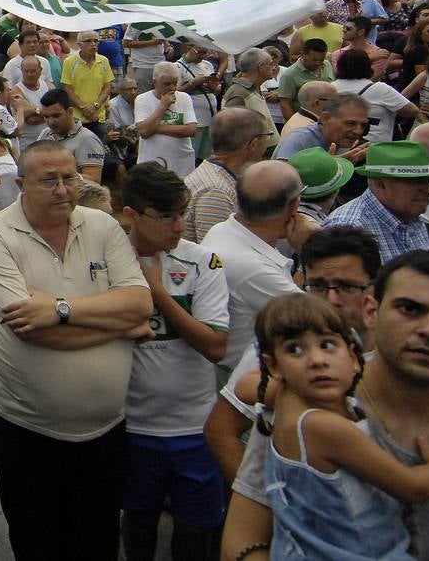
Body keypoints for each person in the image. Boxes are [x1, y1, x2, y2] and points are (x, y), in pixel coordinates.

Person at [0, 140, 153, 561]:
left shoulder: (102, 226)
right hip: (29, 436)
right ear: (21, 185)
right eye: (48, 180)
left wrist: (59, 309)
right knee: (38, 543)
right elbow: (31, 331)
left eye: (69, 178)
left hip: (107, 434)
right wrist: (122, 326)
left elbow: (141, 305)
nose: (62, 190)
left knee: (99, 541)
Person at [220, 249, 429, 561]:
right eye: (410, 308)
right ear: (371, 310)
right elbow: (242, 541)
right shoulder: (311, 400)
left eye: (326, 345)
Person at [118, 163, 229, 561]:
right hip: (131, 426)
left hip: (195, 427)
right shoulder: (107, 262)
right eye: (166, 216)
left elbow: (215, 346)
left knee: (194, 528)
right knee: (139, 520)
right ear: (131, 214)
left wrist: (157, 293)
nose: (180, 225)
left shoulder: (206, 262)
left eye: (182, 213)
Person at [201, 160, 305, 378]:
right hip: (240, 385)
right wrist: (311, 249)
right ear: (294, 205)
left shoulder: (221, 230)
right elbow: (320, 320)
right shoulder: (254, 269)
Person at [326, 140, 429, 262]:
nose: (428, 190)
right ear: (380, 184)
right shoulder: (348, 230)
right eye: (416, 181)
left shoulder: (412, 219)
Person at [184, 108, 274, 243]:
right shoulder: (216, 191)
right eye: (268, 135)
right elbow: (216, 253)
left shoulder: (219, 175)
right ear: (253, 144)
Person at [333, 47, 418, 144]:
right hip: (374, 146)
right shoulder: (380, 89)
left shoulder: (330, 88)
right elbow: (412, 110)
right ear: (368, 66)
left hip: (338, 144)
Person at [134, 61, 198, 177]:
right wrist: (163, 106)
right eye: (167, 84)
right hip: (151, 165)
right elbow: (144, 132)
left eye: (175, 83)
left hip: (182, 165)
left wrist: (155, 128)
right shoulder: (142, 99)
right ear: (155, 82)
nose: (172, 88)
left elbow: (191, 130)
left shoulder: (184, 98)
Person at [273, 92, 370, 163]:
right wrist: (329, 166)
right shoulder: (299, 139)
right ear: (325, 118)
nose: (358, 131)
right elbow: (280, 179)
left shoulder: (349, 145)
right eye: (350, 123)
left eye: (363, 125)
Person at [38, 89, 106, 182]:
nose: (51, 122)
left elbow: (94, 180)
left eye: (56, 116)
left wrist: (58, 175)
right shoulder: (45, 133)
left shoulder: (87, 140)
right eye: (46, 117)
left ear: (70, 112)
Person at [222, 48, 280, 158]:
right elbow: (231, 132)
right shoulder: (239, 93)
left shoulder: (253, 89)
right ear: (261, 67)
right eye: (271, 64)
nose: (274, 67)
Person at [61, 30, 114, 138]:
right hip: (77, 118)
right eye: (89, 41)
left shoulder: (104, 61)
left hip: (98, 117)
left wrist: (95, 107)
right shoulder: (69, 62)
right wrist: (83, 108)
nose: (93, 44)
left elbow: (107, 87)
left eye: (96, 41)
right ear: (79, 44)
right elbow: (66, 88)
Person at [175, 45, 223, 161]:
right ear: (188, 49)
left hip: (211, 116)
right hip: (195, 119)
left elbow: (217, 91)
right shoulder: (177, 66)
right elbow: (174, 92)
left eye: (204, 52)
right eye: (199, 52)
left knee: (208, 155)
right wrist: (193, 84)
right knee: (193, 154)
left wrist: (214, 86)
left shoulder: (207, 65)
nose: (202, 56)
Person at [14, 55, 50, 147]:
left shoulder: (45, 85)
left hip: (47, 140)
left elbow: (54, 110)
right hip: (28, 144)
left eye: (33, 71)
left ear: (40, 70)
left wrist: (35, 110)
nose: (29, 74)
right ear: (21, 71)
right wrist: (47, 114)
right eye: (26, 71)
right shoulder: (16, 91)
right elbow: (31, 120)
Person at [123, 23, 167, 93]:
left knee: (161, 94)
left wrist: (169, 46)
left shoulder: (159, 20)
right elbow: (126, 43)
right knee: (143, 95)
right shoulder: (136, 23)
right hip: (143, 64)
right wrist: (152, 42)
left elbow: (163, 38)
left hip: (160, 64)